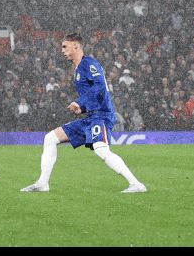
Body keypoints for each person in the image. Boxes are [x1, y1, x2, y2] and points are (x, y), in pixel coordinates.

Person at [21, 33, 145, 194]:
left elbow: (100, 87)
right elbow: (94, 94)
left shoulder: (89, 63)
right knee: (50, 138)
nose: (62, 50)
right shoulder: (78, 69)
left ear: (76, 46)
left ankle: (136, 184)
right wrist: (83, 108)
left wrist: (79, 102)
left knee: (101, 149)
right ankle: (42, 183)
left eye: (65, 46)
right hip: (91, 116)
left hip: (101, 116)